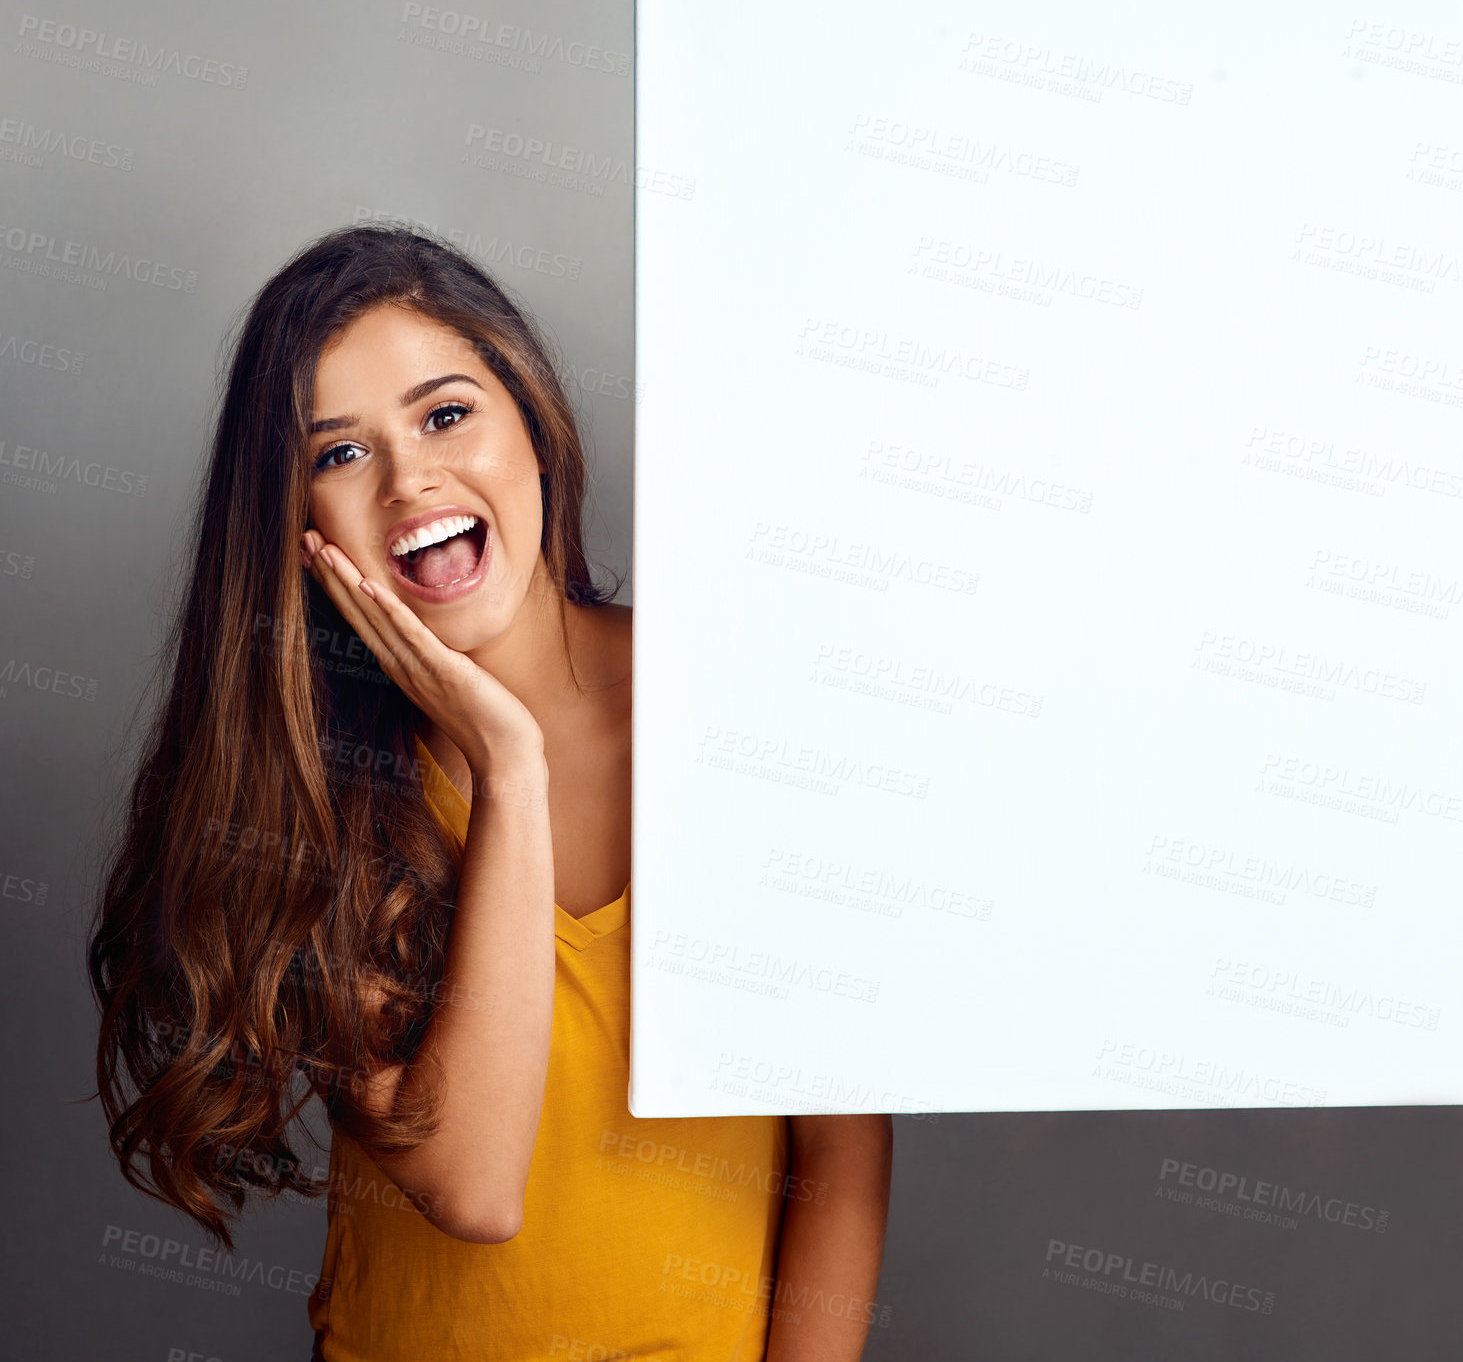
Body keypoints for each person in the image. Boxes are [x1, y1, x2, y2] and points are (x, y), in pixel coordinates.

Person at [88, 223, 892, 1360]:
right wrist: (508, 768)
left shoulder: (732, 710)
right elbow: (473, 1186)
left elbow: (841, 1152)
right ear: (297, 524)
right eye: (339, 453)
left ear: (535, 425)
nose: (412, 476)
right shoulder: (311, 797)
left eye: (445, 413)